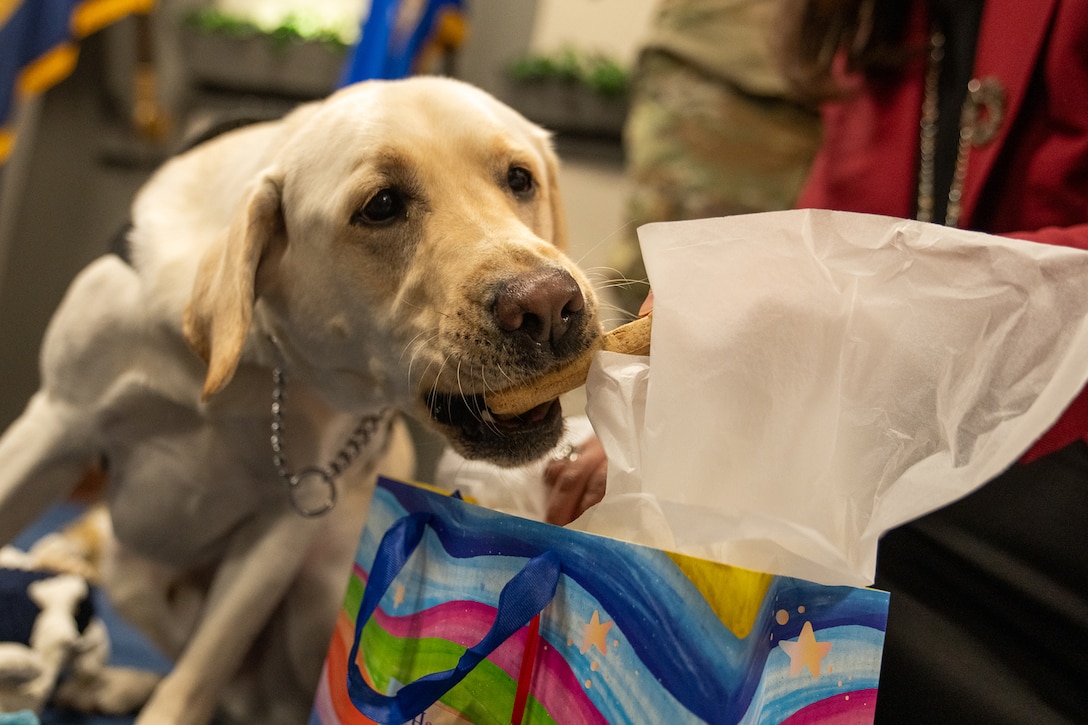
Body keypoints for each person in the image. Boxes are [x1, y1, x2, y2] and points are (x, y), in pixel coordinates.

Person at [554, 1, 1088, 721]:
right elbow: (829, 233)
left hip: (1047, 458)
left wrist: (826, 312)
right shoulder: (880, 22)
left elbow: (841, 296)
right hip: (949, 460)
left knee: (782, 561)